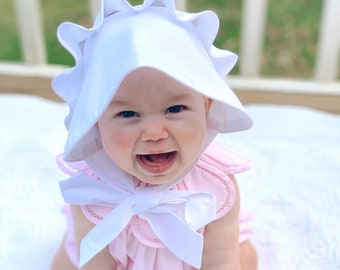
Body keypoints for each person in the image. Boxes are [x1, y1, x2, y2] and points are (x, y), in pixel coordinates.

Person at [51, 0, 257, 269]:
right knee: (64, 263)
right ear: (94, 122)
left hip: (194, 259)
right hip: (118, 258)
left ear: (206, 107)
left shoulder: (215, 187)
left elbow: (220, 263)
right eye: (127, 114)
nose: (154, 133)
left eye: (174, 108)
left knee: (246, 258)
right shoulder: (90, 191)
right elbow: (96, 264)